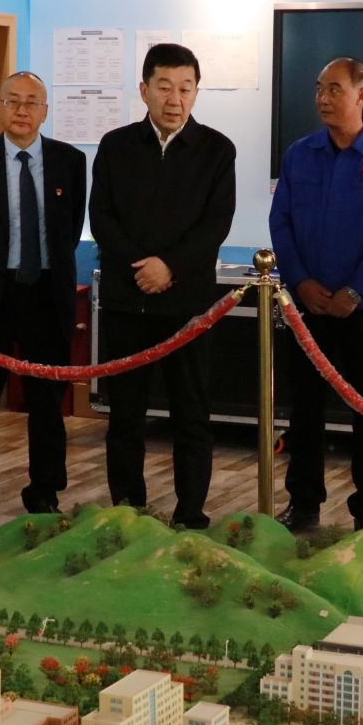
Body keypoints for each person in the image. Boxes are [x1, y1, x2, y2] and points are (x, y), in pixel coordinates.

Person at [91, 42, 236, 528]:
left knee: (191, 416)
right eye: (165, 87)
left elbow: (216, 224)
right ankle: (127, 510)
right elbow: (102, 217)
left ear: (196, 92)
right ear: (144, 90)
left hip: (187, 307)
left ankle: (190, 512)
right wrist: (142, 266)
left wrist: (169, 267)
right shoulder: (115, 145)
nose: (175, 99)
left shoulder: (217, 149)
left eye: (186, 88)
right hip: (126, 301)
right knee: (125, 416)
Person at [271, 58, 363, 533]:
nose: (323, 98)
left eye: (334, 89)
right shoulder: (299, 154)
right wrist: (300, 281)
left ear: (360, 95)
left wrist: (355, 290)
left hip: (362, 309)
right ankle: (303, 504)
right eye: (319, 89)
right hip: (308, 306)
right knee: (304, 411)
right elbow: (281, 221)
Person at [0, 71, 87, 526]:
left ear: (45, 111)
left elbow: (69, 230)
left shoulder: (69, 161)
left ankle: (44, 493)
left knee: (47, 404)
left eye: (32, 102)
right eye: (13, 101)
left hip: (47, 295)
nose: (22, 110)